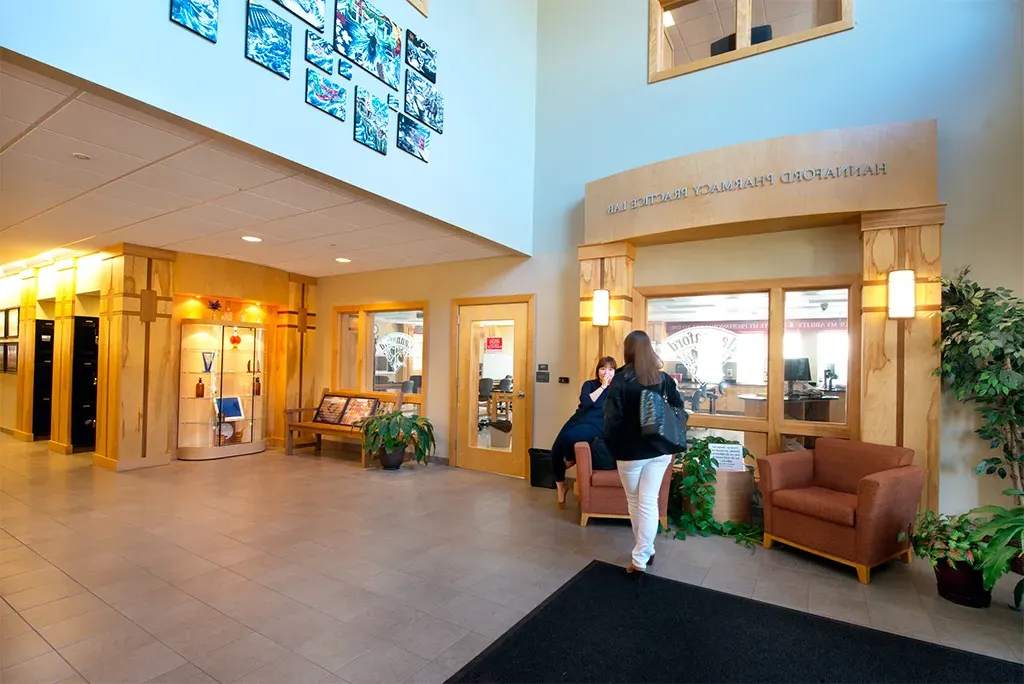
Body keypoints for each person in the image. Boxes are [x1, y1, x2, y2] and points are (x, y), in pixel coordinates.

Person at [604, 331, 684, 574]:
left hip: (630, 452)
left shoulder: (621, 380)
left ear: (627, 350)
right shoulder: (663, 378)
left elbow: (612, 419)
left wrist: (611, 447)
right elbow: (679, 407)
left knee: (636, 501)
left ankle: (640, 559)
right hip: (661, 449)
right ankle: (645, 550)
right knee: (648, 502)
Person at [550, 356, 617, 509]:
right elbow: (586, 402)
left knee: (569, 437)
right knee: (555, 450)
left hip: (598, 422)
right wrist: (602, 387)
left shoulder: (617, 389)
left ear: (615, 372)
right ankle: (561, 488)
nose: (606, 372)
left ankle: (571, 459)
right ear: (598, 370)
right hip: (578, 418)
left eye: (611, 369)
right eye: (603, 368)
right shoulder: (590, 384)